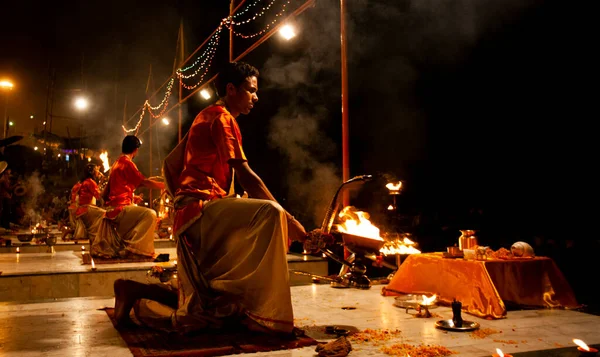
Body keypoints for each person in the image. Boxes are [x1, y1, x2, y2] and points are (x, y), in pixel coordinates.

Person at [114, 62, 307, 336]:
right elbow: (247, 177)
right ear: (231, 89)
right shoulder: (222, 118)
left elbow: (170, 164)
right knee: (269, 213)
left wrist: (179, 202)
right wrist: (292, 222)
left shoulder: (204, 116)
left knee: (208, 299)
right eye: (251, 91)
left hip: (191, 211)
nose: (256, 97)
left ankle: (133, 290)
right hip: (200, 211)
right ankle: (265, 317)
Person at [101, 135, 165, 258]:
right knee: (150, 214)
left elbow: (109, 192)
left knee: (138, 211)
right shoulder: (127, 163)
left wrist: (132, 198)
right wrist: (165, 186)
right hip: (119, 209)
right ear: (135, 150)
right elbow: (143, 182)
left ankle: (129, 247)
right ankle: (137, 251)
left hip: (113, 209)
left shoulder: (116, 163)